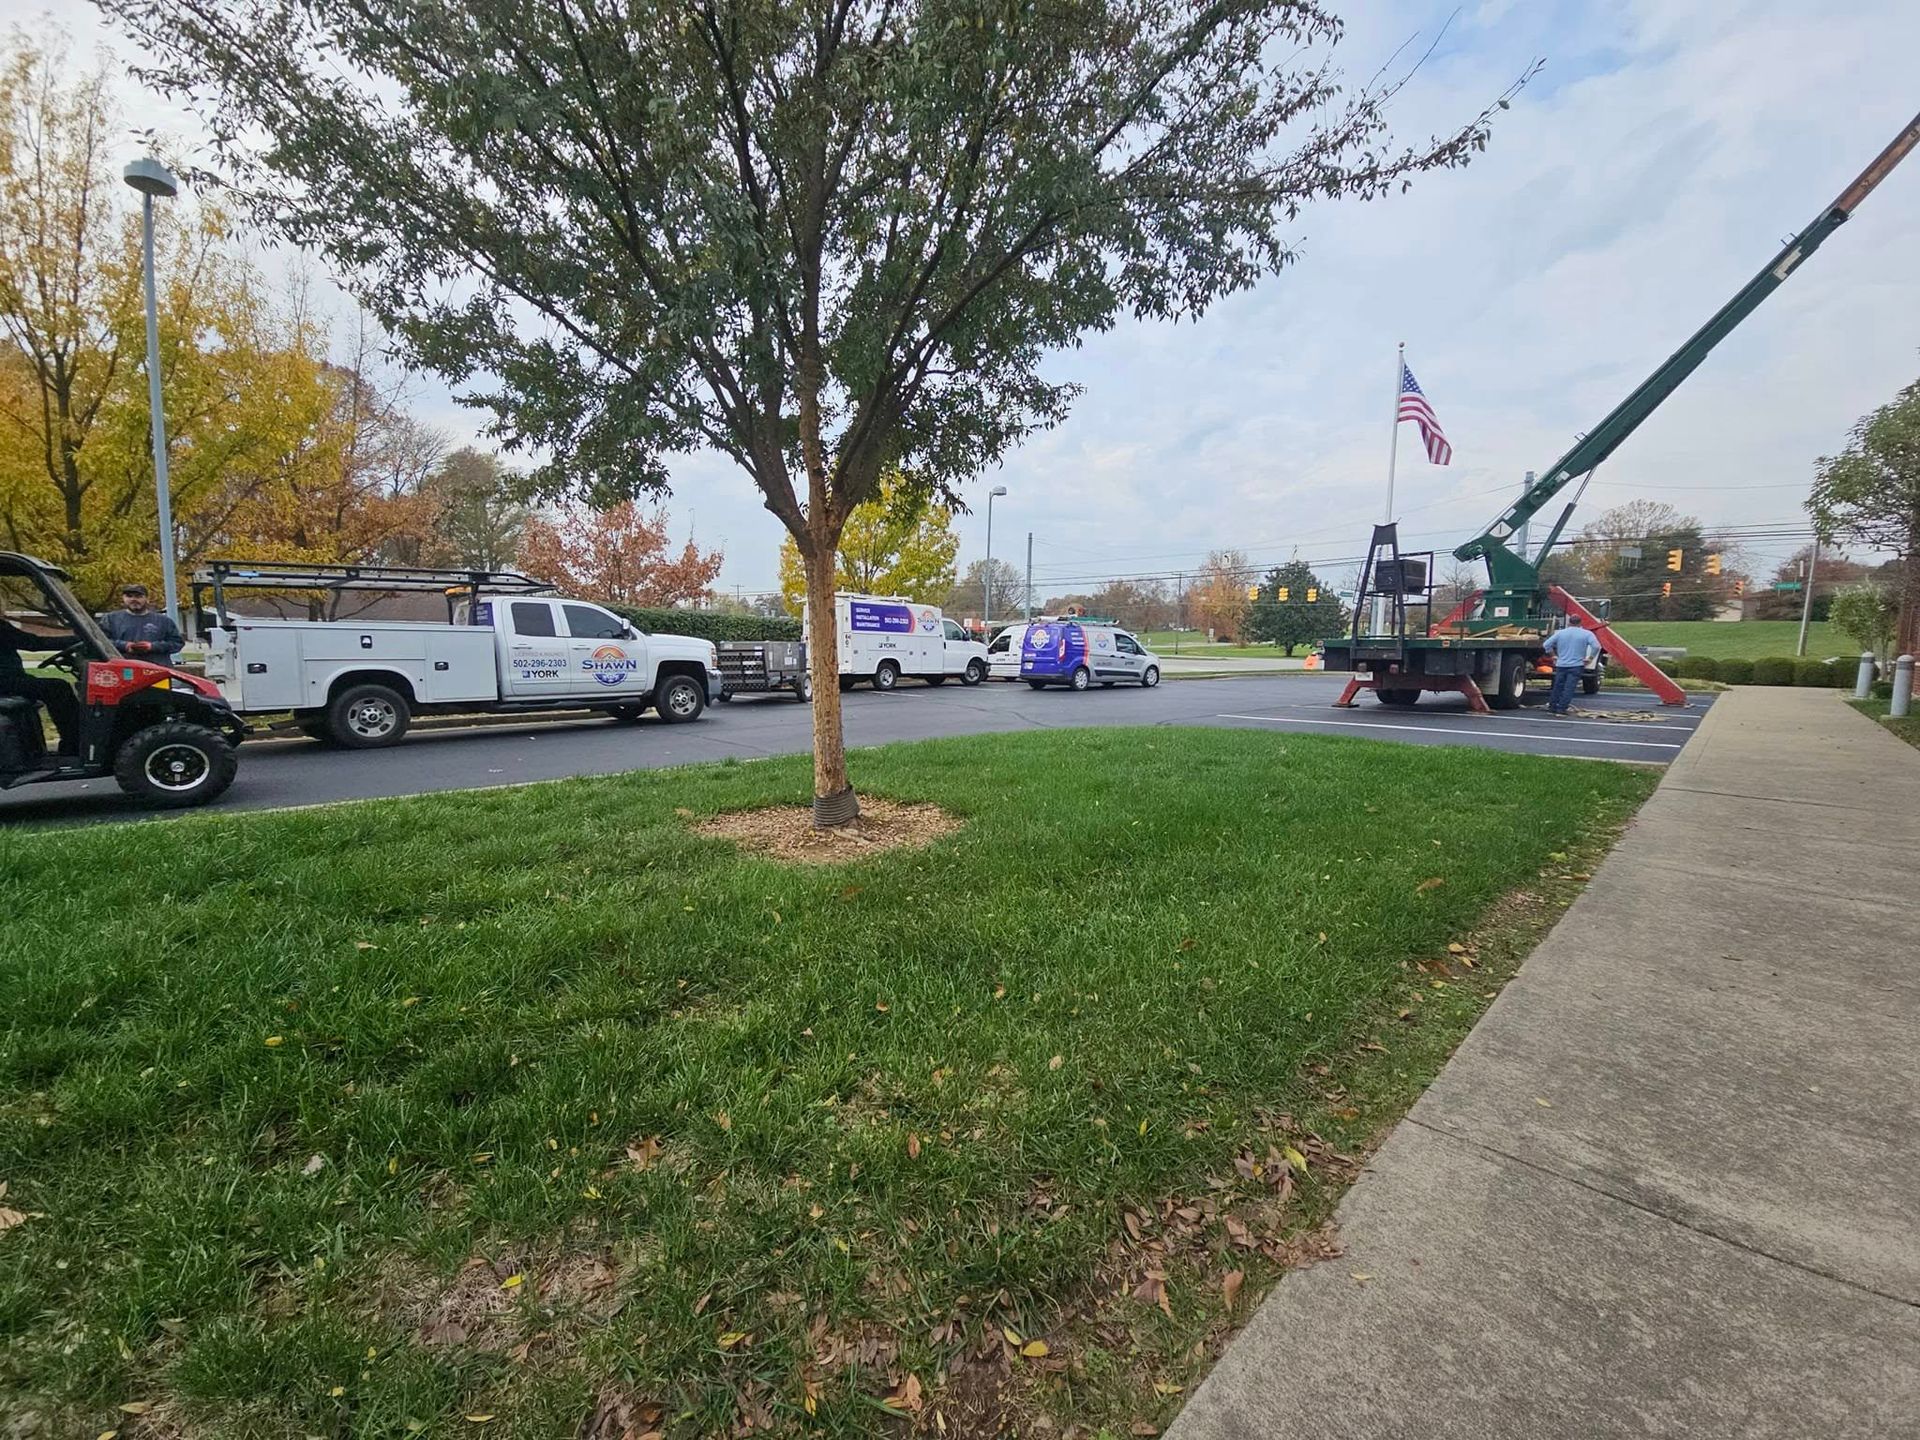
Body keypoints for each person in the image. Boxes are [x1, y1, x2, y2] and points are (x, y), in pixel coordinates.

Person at [0, 616, 80, 754]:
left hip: (9, 678)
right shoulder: (2, 628)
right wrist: (79, 639)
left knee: (53, 686)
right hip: (5, 681)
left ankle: (71, 744)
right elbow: (34, 643)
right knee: (58, 688)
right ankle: (73, 745)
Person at [100, 583, 184, 667]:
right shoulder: (110, 619)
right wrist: (125, 645)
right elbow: (100, 641)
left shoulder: (164, 621)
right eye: (129, 596)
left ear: (147, 598)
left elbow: (177, 643)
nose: (133, 599)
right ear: (123, 598)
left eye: (138, 596)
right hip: (123, 670)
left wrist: (152, 646)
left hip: (157, 670)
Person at [1540, 621, 1600, 716]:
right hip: (1576, 665)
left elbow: (1546, 644)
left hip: (1561, 664)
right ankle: (1562, 709)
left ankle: (1552, 707)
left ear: (1569, 623)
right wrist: (1590, 658)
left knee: (1558, 687)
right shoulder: (1587, 633)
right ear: (1580, 623)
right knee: (1569, 688)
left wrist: (1553, 655)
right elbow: (1596, 646)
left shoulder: (1560, 633)